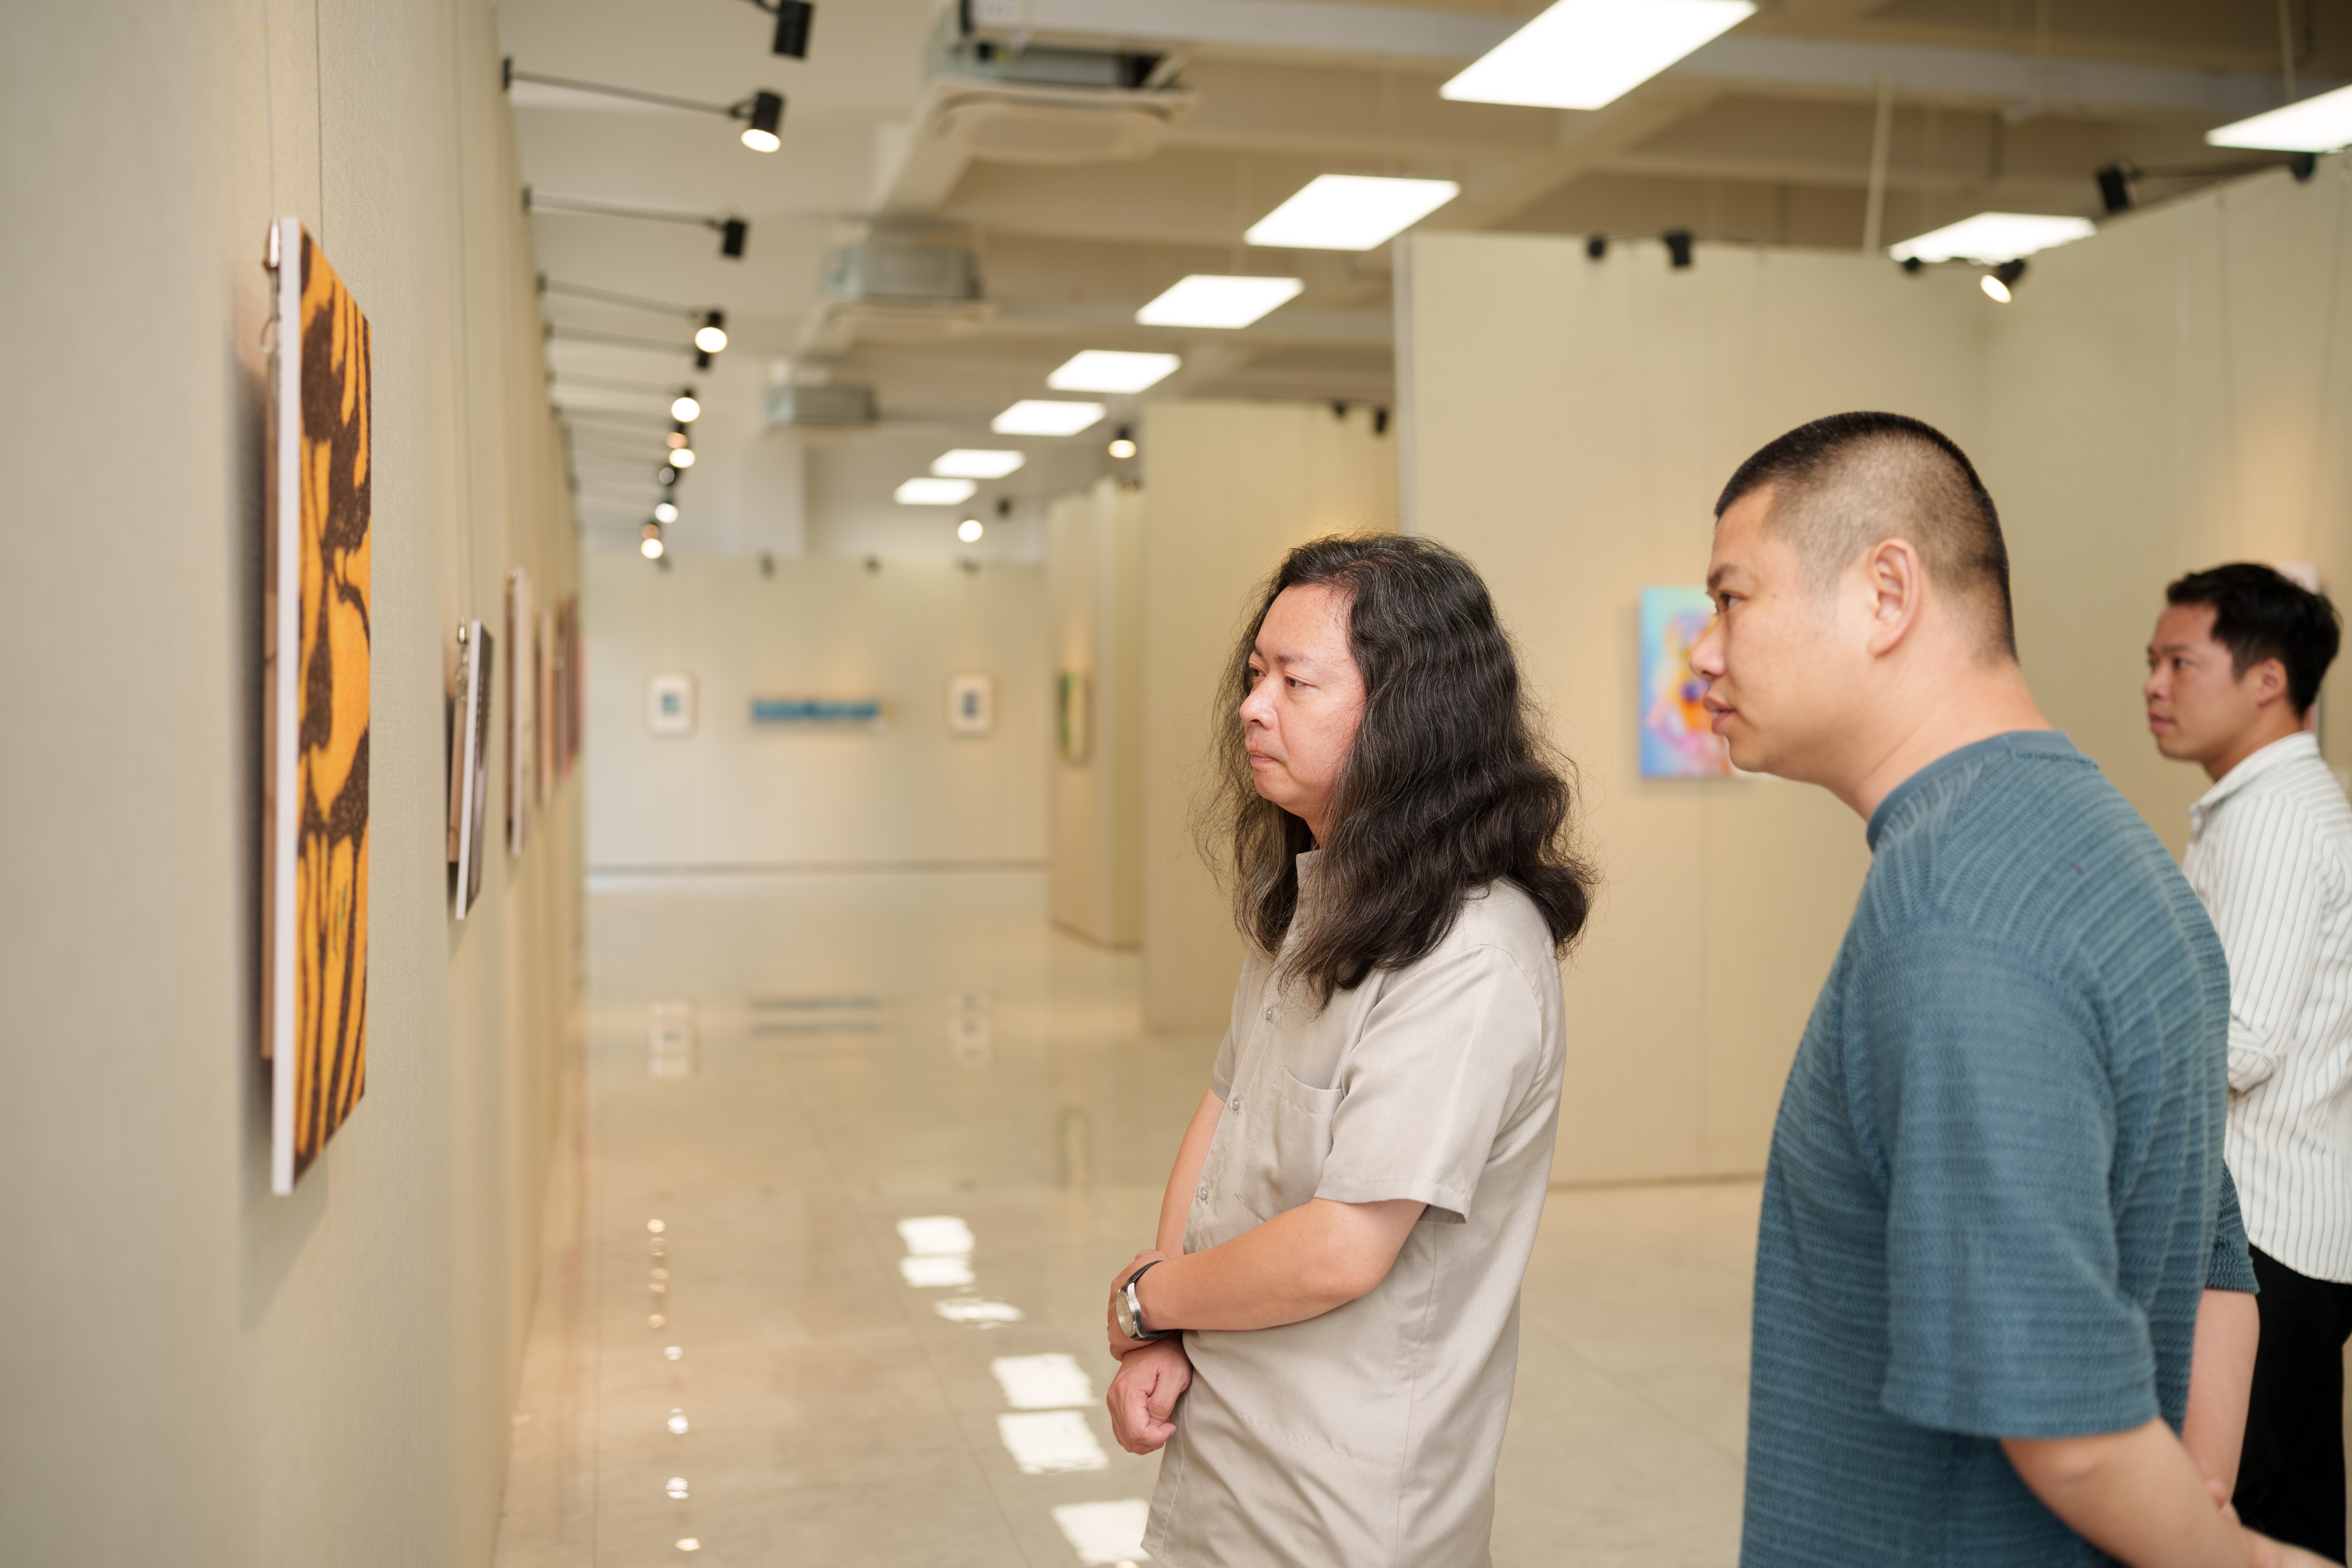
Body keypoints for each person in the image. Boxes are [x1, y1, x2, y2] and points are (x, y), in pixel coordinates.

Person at [1687, 411, 2312, 1567]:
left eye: (1732, 599)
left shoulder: (1955, 906)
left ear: (1886, 593)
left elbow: (2064, 1420)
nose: (1704, 653)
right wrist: (2194, 1517)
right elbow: (2214, 1253)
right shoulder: (2120, 852)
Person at [1100, 533, 1594, 1567]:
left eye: (1296, 681)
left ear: (1409, 714)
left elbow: (1341, 1249)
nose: (1252, 707)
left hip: (1346, 1498)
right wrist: (1169, 1332)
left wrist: (1150, 1299)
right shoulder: (1319, 899)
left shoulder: (1473, 953)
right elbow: (1227, 1104)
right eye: (1254, 675)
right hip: (1232, 1436)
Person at [2147, 563, 2352, 1559]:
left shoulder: (2273, 816)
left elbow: (2245, 1039)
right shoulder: (2281, 802)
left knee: (2210, 1522)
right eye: (2152, 663)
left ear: (2268, 680)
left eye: (2181, 663)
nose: (2154, 686)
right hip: (2301, 1230)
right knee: (2294, 1517)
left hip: (2263, 1237)